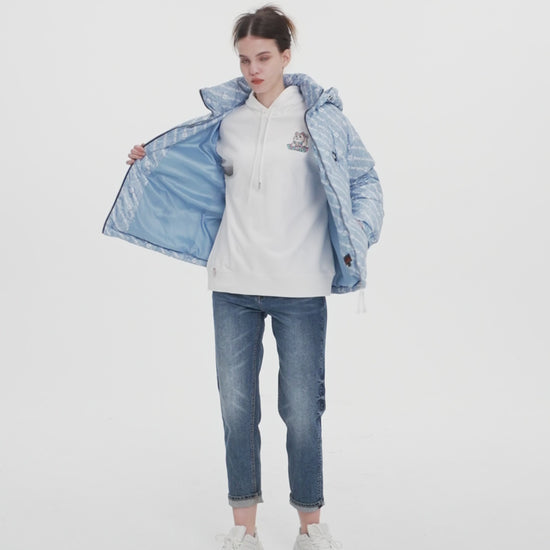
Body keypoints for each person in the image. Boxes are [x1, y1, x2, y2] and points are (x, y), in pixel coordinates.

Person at [103, 5, 383, 549]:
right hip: (232, 283)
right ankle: (244, 528)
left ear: (285, 56)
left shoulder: (320, 119)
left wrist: (359, 232)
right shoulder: (227, 121)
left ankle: (311, 527)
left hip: (300, 286)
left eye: (263, 58)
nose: (253, 69)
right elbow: (194, 178)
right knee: (237, 409)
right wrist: (150, 159)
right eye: (244, 60)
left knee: (301, 411)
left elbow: (365, 179)